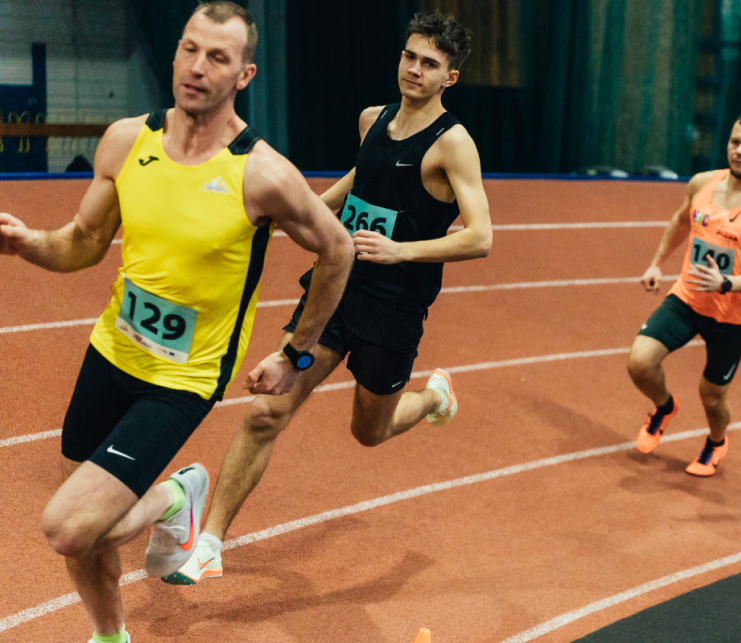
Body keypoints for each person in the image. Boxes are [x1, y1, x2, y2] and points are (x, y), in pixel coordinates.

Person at [0, 3, 354, 642]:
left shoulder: (261, 172)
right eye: (190, 49)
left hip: (183, 377)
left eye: (218, 57)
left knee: (69, 526)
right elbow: (84, 241)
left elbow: (338, 249)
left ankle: (176, 496)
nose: (197, 67)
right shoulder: (126, 140)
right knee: (87, 532)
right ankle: (111, 635)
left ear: (244, 75)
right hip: (111, 351)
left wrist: (296, 353)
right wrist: (29, 243)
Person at [163, 12, 492, 586]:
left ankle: (433, 397)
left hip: (395, 309)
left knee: (369, 432)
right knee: (267, 411)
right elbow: (360, 180)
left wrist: (402, 251)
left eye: (430, 64)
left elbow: (480, 237)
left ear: (450, 77)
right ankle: (209, 543)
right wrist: (305, 210)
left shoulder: (453, 144)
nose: (414, 69)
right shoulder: (373, 119)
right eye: (409, 56)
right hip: (336, 289)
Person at [627, 111, 741, 477]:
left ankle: (716, 443)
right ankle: (664, 407)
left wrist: (726, 283)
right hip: (687, 299)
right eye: (735, 142)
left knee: (713, 397)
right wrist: (656, 263)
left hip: (730, 316)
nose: (740, 151)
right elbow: (681, 220)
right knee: (640, 363)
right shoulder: (702, 182)